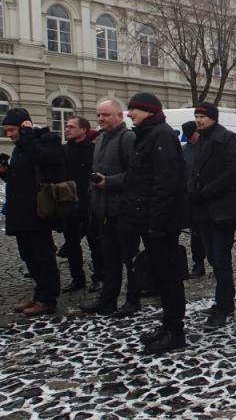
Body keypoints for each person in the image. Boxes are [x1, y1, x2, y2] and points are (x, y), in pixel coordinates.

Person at [122, 92, 188, 354]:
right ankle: (168, 324)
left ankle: (175, 331)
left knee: (169, 277)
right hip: (151, 221)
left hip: (162, 223)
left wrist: (156, 222)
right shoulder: (148, 134)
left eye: (133, 110)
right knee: (162, 276)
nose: (130, 114)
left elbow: (165, 183)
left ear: (148, 111)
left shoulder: (161, 135)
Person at [0, 108, 66, 316]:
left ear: (24, 125)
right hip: (21, 213)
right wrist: (5, 173)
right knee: (28, 256)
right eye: (6, 131)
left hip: (39, 212)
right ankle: (39, 295)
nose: (8, 134)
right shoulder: (20, 147)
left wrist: (28, 136)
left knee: (43, 256)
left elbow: (43, 159)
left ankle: (48, 299)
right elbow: (21, 179)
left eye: (11, 130)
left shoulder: (45, 140)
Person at [80, 100, 140, 317]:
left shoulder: (128, 138)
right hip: (103, 211)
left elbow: (135, 174)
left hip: (123, 211)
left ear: (119, 116)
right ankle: (108, 300)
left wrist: (110, 182)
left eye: (105, 114)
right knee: (109, 258)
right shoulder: (101, 138)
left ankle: (133, 300)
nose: (101, 119)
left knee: (128, 258)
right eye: (98, 115)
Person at [188, 102, 236, 329]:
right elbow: (195, 171)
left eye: (202, 116)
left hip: (221, 210)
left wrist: (206, 191)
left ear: (213, 118)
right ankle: (225, 300)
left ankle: (224, 305)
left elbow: (233, 172)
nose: (199, 120)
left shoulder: (227, 138)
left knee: (221, 260)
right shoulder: (201, 140)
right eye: (197, 116)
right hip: (204, 211)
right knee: (212, 257)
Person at [61, 116, 104, 293]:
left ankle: (99, 278)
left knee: (96, 243)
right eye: (66, 127)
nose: (67, 129)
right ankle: (77, 278)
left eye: (71, 127)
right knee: (71, 244)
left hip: (90, 205)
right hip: (69, 205)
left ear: (83, 130)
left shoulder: (94, 150)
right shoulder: (63, 151)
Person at [181, 120, 206, 278]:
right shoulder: (183, 151)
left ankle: (215, 261)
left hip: (206, 197)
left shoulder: (205, 148)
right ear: (192, 134)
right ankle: (199, 263)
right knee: (196, 234)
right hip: (190, 199)